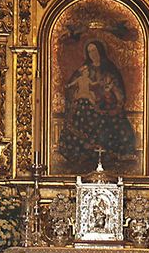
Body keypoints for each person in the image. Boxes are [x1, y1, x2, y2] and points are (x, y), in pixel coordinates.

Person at [58, 38, 137, 170]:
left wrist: (112, 102)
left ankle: (110, 154)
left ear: (100, 51)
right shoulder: (84, 69)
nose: (92, 53)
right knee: (79, 118)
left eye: (94, 50)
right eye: (89, 51)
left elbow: (117, 89)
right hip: (88, 106)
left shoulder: (109, 69)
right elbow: (72, 87)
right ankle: (85, 153)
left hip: (106, 106)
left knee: (116, 124)